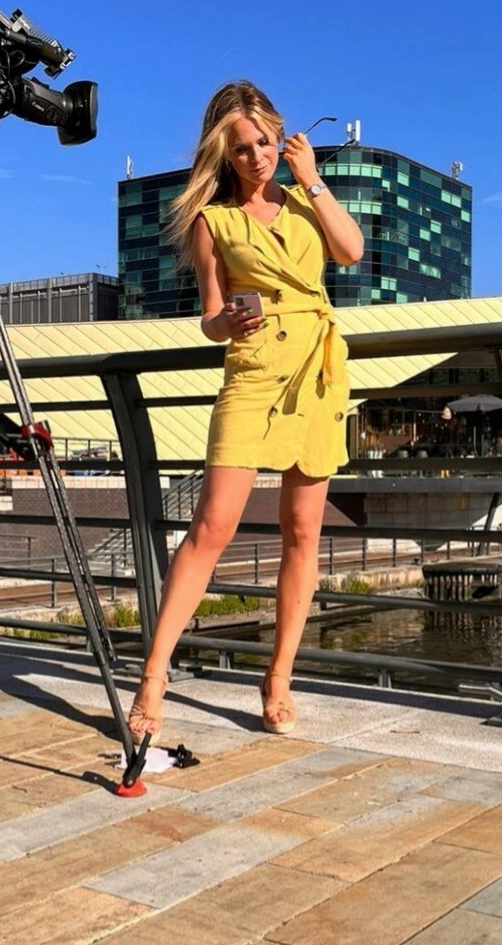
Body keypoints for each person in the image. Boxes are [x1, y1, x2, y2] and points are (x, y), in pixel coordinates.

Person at [127, 81, 364, 742]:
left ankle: (278, 679)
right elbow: (208, 316)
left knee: (303, 531)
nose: (256, 155)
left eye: (264, 142)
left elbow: (351, 251)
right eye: (241, 148)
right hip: (254, 372)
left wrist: (311, 177)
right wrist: (226, 322)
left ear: (279, 139)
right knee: (212, 526)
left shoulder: (306, 200)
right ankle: (152, 676)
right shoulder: (214, 221)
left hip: (316, 372)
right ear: (224, 155)